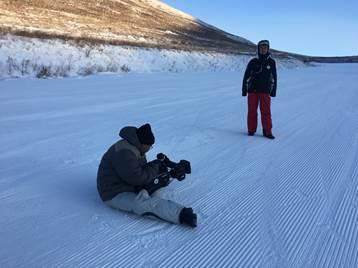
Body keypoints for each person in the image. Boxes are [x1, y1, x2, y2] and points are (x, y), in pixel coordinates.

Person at [97, 123, 197, 227]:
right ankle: (181, 214)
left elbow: (140, 170)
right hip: (113, 192)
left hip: (127, 182)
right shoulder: (125, 153)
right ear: (143, 144)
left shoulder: (135, 145)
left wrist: (161, 166)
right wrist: (156, 166)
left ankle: (168, 175)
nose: (149, 148)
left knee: (154, 178)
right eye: (149, 146)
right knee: (141, 203)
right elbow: (138, 178)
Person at [242, 40, 277, 139]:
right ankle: (251, 130)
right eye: (261, 47)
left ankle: (267, 131)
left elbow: (274, 77)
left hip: (265, 91)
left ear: (268, 49)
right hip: (252, 91)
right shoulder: (253, 61)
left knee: (266, 112)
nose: (263, 49)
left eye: (265, 47)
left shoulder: (271, 62)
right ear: (258, 49)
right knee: (252, 111)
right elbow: (246, 76)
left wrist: (273, 90)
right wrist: (244, 89)